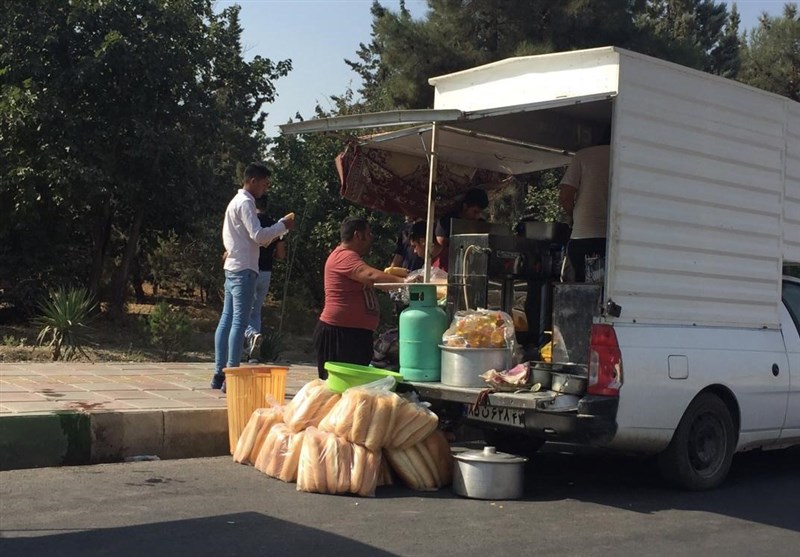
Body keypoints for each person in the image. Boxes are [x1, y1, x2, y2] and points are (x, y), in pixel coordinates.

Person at [211, 163, 295, 391]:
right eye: (265, 184)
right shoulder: (246, 202)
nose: (265, 190)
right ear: (253, 180)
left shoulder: (234, 202)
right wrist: (282, 226)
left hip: (233, 266)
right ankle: (232, 374)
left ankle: (220, 373)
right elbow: (258, 236)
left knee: (227, 319)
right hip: (245, 269)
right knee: (239, 321)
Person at [313, 216, 407, 379]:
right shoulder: (343, 256)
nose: (371, 238)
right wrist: (406, 283)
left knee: (353, 389)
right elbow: (370, 275)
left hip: (354, 335)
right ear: (357, 235)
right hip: (339, 334)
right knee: (337, 390)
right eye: (368, 234)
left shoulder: (351, 257)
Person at [242, 195, 287, 362]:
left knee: (241, 310)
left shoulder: (251, 222)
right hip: (267, 271)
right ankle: (252, 352)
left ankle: (251, 336)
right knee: (256, 311)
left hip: (250, 269)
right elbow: (281, 255)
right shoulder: (277, 226)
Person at [559, 142, 611, 282]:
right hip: (615, 235)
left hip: (584, 233)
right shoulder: (628, 154)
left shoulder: (584, 155)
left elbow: (565, 196)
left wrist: (572, 216)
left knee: (583, 288)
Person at [434, 187, 489, 273]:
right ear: (465, 206)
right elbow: (441, 240)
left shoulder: (481, 224)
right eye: (475, 212)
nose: (477, 217)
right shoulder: (447, 221)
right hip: (447, 269)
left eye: (480, 213)